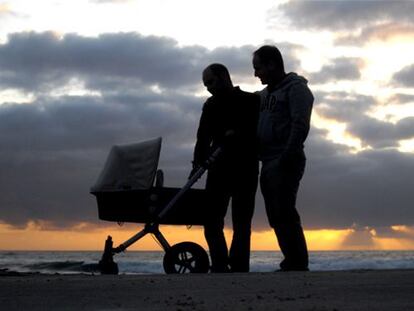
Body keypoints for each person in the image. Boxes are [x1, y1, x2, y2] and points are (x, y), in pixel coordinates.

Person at [191, 63, 259, 272]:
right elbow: (202, 138)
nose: (208, 87)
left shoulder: (251, 100)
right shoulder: (210, 105)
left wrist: (237, 134)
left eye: (210, 82)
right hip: (217, 170)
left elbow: (256, 132)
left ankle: (239, 267)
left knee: (241, 223)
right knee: (211, 220)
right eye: (205, 84)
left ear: (223, 76)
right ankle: (220, 264)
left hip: (245, 168)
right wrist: (196, 167)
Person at [252, 45, 313, 271]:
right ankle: (292, 260)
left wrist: (288, 153)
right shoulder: (264, 95)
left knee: (284, 211)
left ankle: (297, 262)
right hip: (267, 160)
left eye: (258, 68)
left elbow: (300, 124)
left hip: (285, 158)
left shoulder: (296, 89)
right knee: (275, 214)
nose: (256, 74)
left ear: (272, 65)